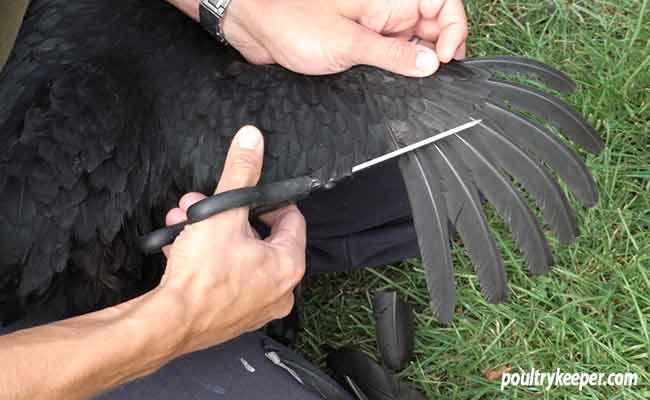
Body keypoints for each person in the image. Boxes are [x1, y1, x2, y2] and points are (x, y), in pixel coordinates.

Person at [0, 0, 468, 398]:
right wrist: (172, 323)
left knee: (438, 152)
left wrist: (238, 11)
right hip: (36, 330)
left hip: (81, 73)